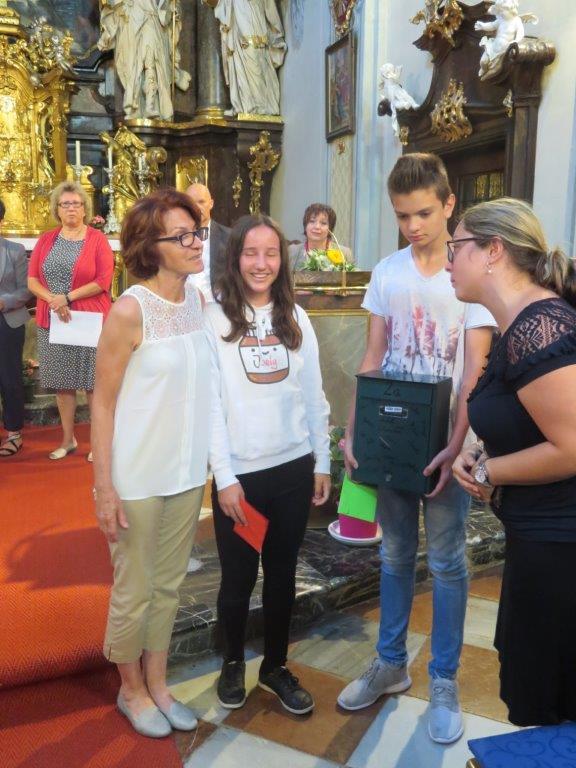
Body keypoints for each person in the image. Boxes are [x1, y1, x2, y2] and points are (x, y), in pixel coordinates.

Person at [337, 153, 496, 744]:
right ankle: (390, 663)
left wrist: (456, 445)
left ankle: (445, 679)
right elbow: (373, 357)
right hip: (392, 438)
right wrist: (353, 430)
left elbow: (475, 372)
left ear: (449, 204)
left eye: (424, 213)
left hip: (450, 439)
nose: (412, 226)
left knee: (448, 560)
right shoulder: (387, 273)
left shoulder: (469, 274)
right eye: (402, 215)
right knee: (395, 553)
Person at [450, 197, 576, 726]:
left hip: (560, 549)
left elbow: (571, 446)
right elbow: (525, 418)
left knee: (547, 703)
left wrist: (488, 471)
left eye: (456, 247)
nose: (449, 261)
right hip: (536, 539)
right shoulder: (519, 324)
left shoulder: (538, 325)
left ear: (493, 251)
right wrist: (481, 450)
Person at [91, 189, 211, 738]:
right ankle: (130, 689)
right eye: (181, 236)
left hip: (185, 473)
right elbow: (103, 402)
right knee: (134, 588)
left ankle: (158, 684)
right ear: (149, 246)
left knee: (168, 587)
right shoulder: (129, 310)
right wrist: (104, 488)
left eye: (196, 231)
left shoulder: (197, 302)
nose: (196, 242)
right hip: (137, 476)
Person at [206, 214, 331, 714]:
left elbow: (314, 395)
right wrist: (225, 477)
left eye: (271, 253)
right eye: (251, 253)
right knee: (238, 579)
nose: (262, 263)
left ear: (283, 259)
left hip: (292, 472)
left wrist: (322, 461)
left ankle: (275, 666)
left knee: (282, 575)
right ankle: (233, 661)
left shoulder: (296, 318)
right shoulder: (215, 319)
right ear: (235, 257)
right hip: (243, 480)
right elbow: (211, 406)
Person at [27, 181, 114, 461]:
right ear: (57, 209)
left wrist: (67, 297)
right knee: (62, 383)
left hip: (88, 320)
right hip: (54, 321)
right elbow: (32, 280)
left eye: (76, 203)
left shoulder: (97, 240)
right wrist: (54, 300)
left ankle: (97, 443)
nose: (71, 209)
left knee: (92, 384)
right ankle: (68, 440)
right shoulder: (46, 240)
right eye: (65, 204)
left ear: (85, 209)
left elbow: (103, 281)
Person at [97, 0, 190, 121]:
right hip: (131, 21)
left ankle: (150, 105)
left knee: (151, 63)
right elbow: (113, 6)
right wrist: (107, 34)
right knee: (133, 68)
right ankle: (134, 106)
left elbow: (169, 5)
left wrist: (172, 9)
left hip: (152, 20)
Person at [206, 0, 287, 115]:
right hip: (236, 18)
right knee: (236, 58)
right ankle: (242, 105)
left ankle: (259, 106)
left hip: (253, 18)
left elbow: (270, 8)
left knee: (253, 57)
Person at [0, 199, 32, 457]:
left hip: (7, 321)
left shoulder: (15, 251)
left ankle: (14, 433)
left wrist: (3, 302)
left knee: (9, 378)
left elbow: (26, 290)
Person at [185, 183, 231, 302]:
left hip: (218, 305)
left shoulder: (229, 237)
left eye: (201, 202)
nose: (196, 207)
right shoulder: (177, 238)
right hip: (184, 304)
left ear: (211, 203)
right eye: (191, 203)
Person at [288, 203, 353, 272]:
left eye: (323, 223)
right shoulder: (291, 251)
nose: (317, 227)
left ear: (330, 228)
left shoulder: (344, 253)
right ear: (305, 225)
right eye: (312, 221)